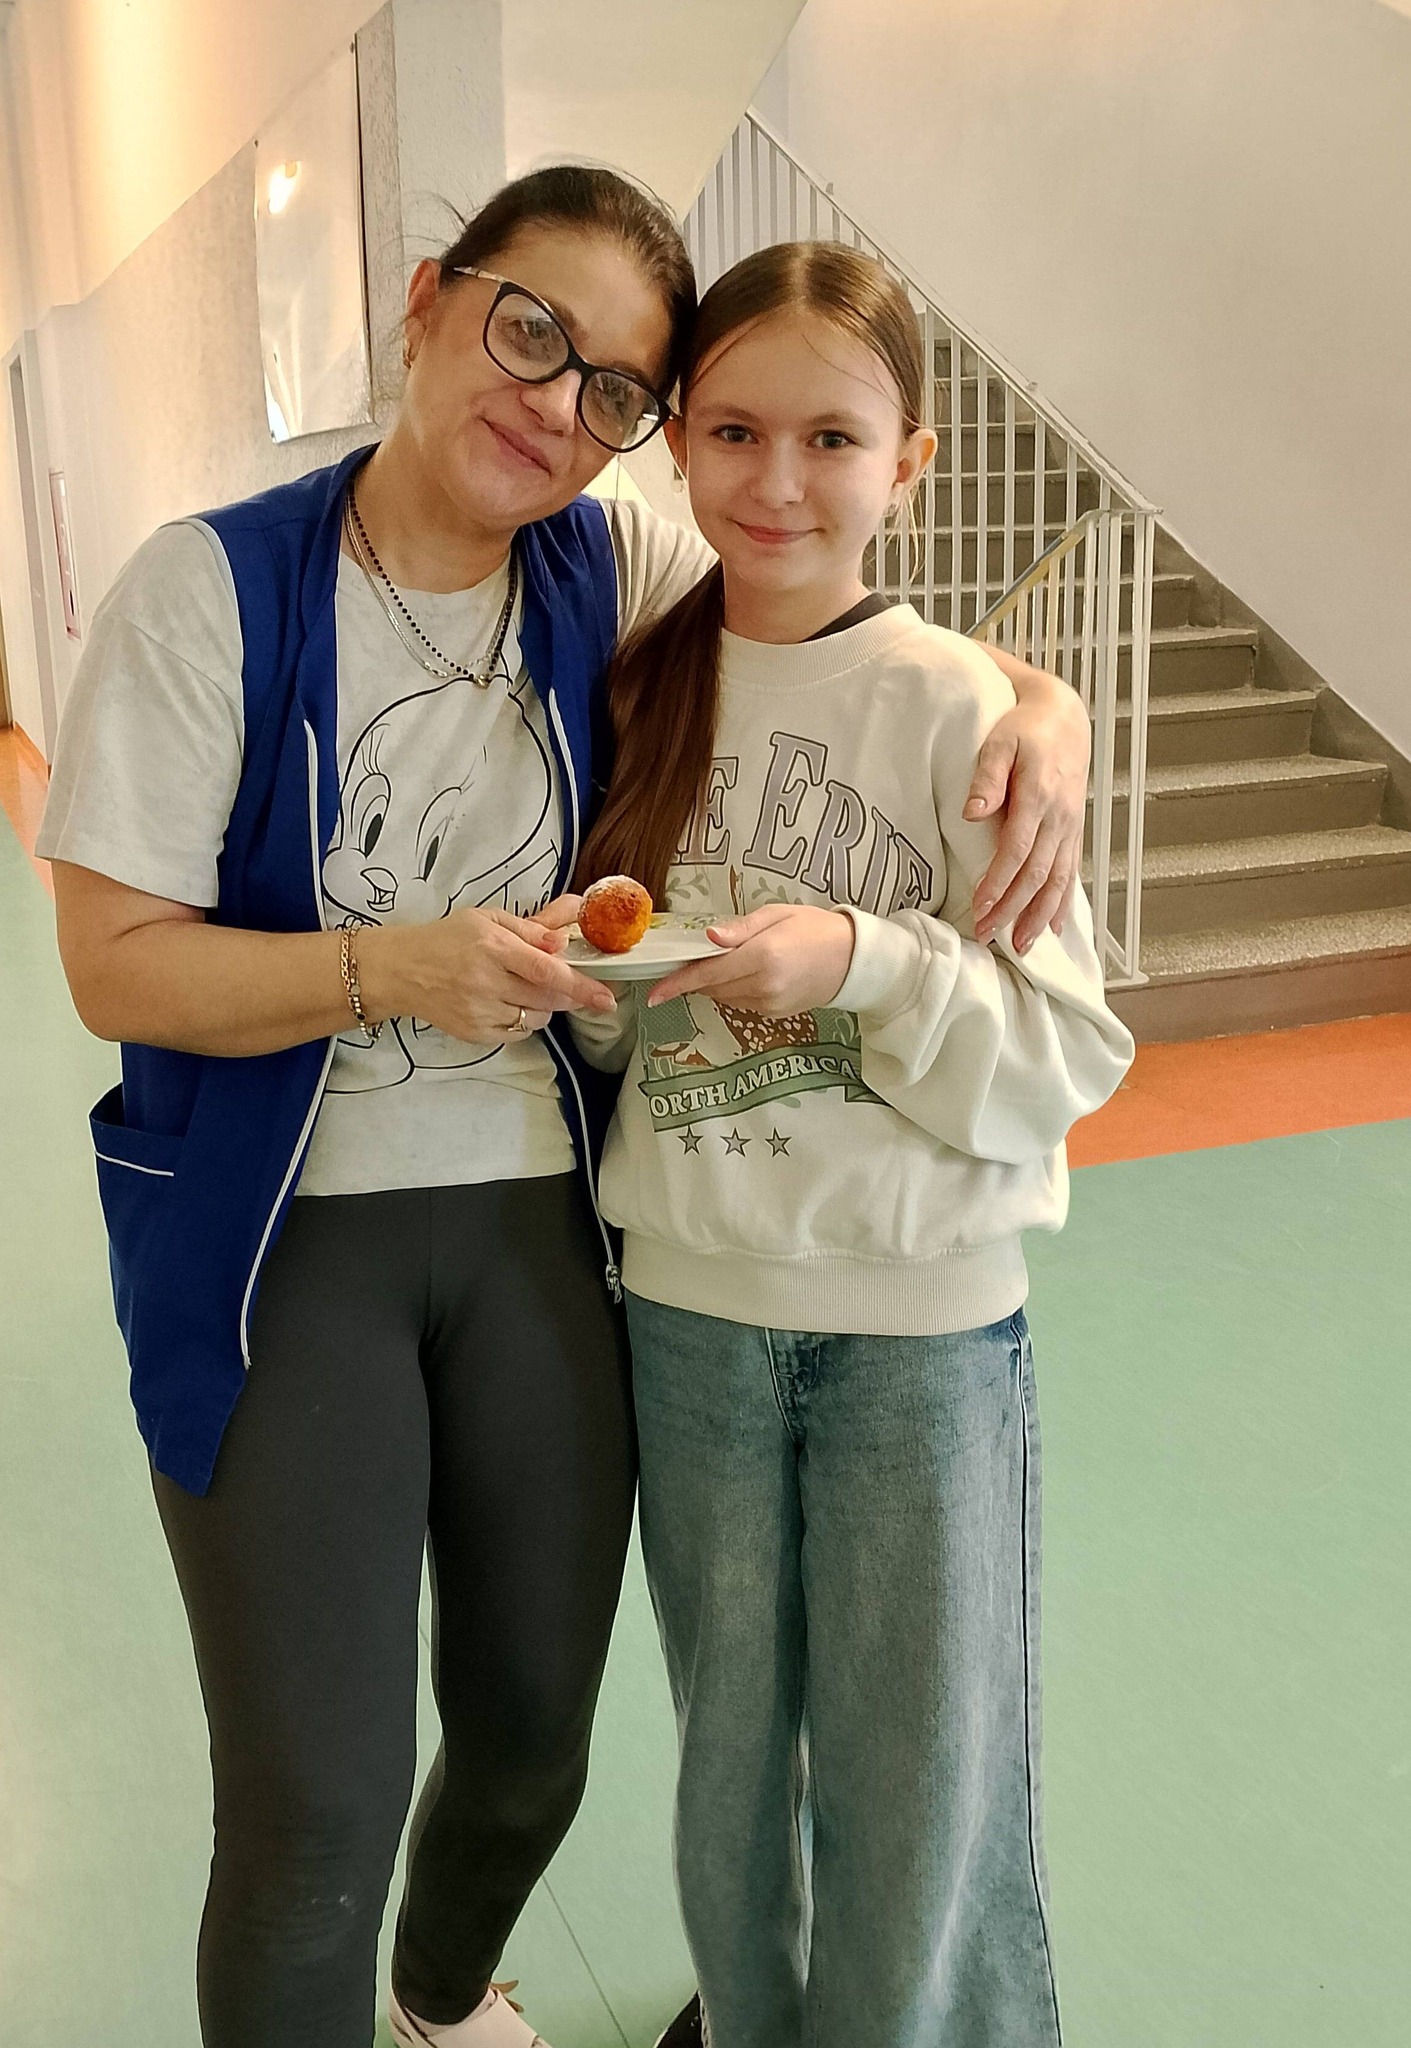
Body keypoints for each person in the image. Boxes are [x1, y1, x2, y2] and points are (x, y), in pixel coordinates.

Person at [40, 162, 1092, 2048]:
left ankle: (442, 1999)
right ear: (429, 299)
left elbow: (832, 604)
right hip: (289, 1227)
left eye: (614, 386)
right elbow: (115, 969)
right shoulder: (213, 591)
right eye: (530, 330)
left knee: (536, 1745)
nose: (555, 402)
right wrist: (392, 969)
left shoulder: (607, 569)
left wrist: (1050, 709)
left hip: (545, 1214)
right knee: (317, 1818)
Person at [573, 241, 1134, 2048]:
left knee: (922, 1771)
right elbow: (623, 1032)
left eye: (833, 437)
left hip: (922, 1338)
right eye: (735, 430)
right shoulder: (638, 687)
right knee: (726, 1755)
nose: (779, 481)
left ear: (912, 463)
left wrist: (862, 963)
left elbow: (1068, 1052)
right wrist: (590, 984)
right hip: (691, 1314)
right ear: (677, 441)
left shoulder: (968, 715)